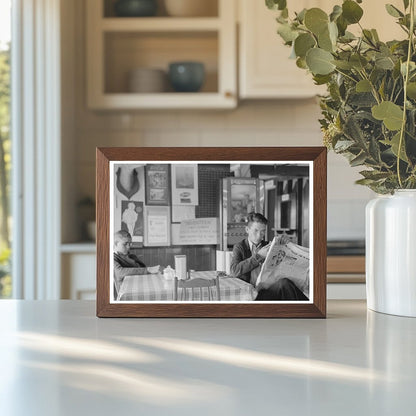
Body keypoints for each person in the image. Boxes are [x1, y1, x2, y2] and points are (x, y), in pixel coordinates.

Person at [230, 212, 308, 301]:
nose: (260, 235)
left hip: (268, 289)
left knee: (286, 284)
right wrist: (259, 256)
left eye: (263, 231)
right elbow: (234, 271)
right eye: (256, 230)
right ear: (247, 230)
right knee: (285, 286)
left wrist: (287, 245)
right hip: (252, 293)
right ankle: (310, 309)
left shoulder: (269, 245)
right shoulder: (240, 247)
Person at [113, 230, 160, 295]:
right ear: (115, 244)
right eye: (125, 244)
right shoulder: (112, 258)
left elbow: (143, 268)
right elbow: (120, 272)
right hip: (128, 292)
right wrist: (148, 270)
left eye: (130, 243)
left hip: (140, 287)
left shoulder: (132, 256)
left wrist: (154, 270)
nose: (129, 246)